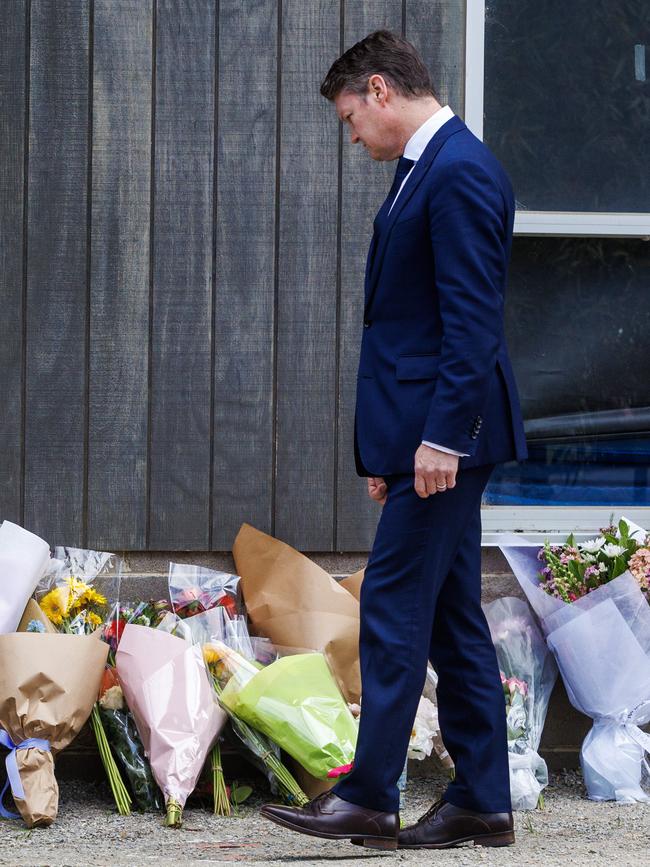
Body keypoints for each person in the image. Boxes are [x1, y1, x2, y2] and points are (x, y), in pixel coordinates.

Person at [261, 30, 527, 850]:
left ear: (380, 90)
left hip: (450, 442)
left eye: (350, 118)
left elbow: (471, 323)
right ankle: (484, 799)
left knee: (391, 602)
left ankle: (371, 794)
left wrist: (443, 439)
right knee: (450, 616)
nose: (353, 137)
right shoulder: (426, 170)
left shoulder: (459, 172)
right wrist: (390, 450)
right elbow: (407, 327)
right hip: (423, 442)